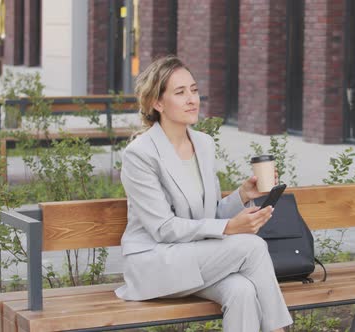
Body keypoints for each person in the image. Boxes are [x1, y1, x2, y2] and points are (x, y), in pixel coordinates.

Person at [115, 55, 293, 332]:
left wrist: (243, 195)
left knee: (242, 290)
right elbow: (163, 228)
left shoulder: (204, 144)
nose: (192, 99)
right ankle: (278, 330)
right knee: (252, 246)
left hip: (196, 258)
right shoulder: (140, 154)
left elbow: (206, 216)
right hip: (156, 262)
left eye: (194, 90)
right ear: (157, 103)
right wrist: (230, 227)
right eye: (180, 92)